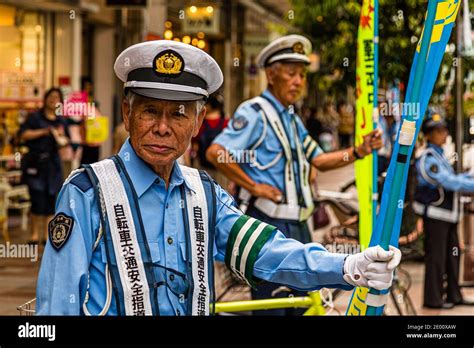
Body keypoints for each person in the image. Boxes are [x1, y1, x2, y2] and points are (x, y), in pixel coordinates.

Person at [36, 40, 400, 316]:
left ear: (197, 122)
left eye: (178, 114)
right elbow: (57, 301)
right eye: (150, 111)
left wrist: (347, 266)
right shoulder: (87, 191)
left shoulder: (204, 193)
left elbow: (266, 252)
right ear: (127, 113)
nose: (163, 128)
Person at [206, 35, 385, 315]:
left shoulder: (292, 118)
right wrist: (255, 187)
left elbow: (319, 159)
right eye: (291, 74)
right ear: (271, 74)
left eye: (302, 75)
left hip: (299, 224)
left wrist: (359, 151)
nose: (298, 81)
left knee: (304, 305)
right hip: (268, 220)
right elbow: (216, 153)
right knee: (273, 308)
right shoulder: (255, 112)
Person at [413, 112, 474, 309]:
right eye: (438, 131)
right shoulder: (427, 158)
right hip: (436, 217)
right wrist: (470, 183)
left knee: (453, 256)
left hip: (449, 216)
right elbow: (449, 181)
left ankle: (453, 295)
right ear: (428, 135)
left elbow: (455, 178)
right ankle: (433, 299)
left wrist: (469, 180)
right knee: (436, 259)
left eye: (444, 129)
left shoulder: (439, 154)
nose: (443, 133)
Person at [20, 87, 70, 245]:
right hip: (35, 163)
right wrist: (44, 132)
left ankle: (48, 235)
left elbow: (66, 141)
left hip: (53, 165)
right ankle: (34, 234)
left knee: (51, 199)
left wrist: (60, 138)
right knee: (37, 198)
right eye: (51, 96)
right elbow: (23, 135)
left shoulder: (61, 121)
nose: (53, 99)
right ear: (45, 99)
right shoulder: (35, 117)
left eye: (57, 97)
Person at [194, 94, 228, 186]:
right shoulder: (226, 123)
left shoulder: (201, 123)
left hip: (203, 166)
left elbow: (195, 144)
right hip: (222, 167)